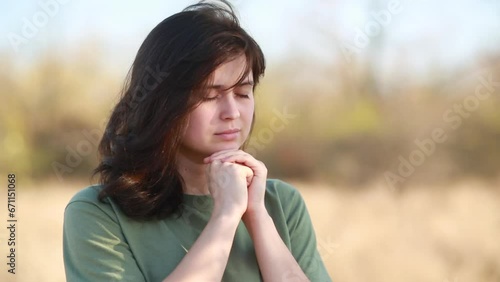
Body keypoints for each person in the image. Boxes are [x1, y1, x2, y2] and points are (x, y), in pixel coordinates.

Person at [63, 1, 332, 281]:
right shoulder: (98, 213)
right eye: (209, 95)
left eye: (243, 93)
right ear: (162, 102)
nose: (232, 113)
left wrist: (256, 215)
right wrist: (226, 216)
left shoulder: (282, 204)